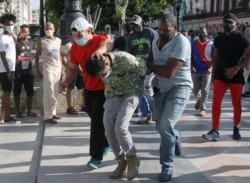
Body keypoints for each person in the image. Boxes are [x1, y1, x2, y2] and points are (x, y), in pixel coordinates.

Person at [85, 51, 146, 180]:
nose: (104, 76)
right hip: (113, 94)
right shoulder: (98, 64)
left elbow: (143, 69)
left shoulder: (125, 59)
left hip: (131, 92)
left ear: (107, 63)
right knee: (107, 126)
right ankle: (121, 161)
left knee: (121, 127)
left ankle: (132, 158)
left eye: (104, 73)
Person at [61, 17, 113, 169]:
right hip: (89, 89)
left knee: (96, 121)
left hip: (104, 89)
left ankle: (96, 157)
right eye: (74, 36)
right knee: (94, 116)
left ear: (89, 31)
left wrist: (97, 52)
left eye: (79, 35)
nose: (76, 39)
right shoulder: (76, 48)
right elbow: (72, 68)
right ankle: (107, 142)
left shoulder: (99, 40)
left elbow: (108, 43)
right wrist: (65, 81)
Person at [147, 14, 192, 182]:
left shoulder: (182, 42)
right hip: (160, 88)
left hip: (179, 86)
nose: (162, 33)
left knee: (166, 124)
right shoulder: (155, 41)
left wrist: (149, 66)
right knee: (161, 127)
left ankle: (167, 166)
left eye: (166, 30)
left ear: (176, 29)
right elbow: (153, 66)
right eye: (159, 29)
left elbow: (169, 72)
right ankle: (176, 137)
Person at [202, 13, 250, 141]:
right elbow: (216, 56)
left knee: (236, 104)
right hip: (220, 75)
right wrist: (213, 71)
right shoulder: (218, 39)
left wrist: (236, 68)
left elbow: (249, 56)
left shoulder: (242, 39)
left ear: (236, 24)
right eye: (225, 23)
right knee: (216, 102)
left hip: (236, 76)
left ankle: (236, 127)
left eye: (230, 23)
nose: (227, 25)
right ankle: (215, 130)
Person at [127, 14, 158, 124]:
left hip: (151, 66)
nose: (135, 27)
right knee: (140, 92)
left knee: (146, 89)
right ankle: (146, 114)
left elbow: (158, 46)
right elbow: (129, 54)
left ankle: (156, 112)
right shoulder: (131, 37)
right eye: (133, 25)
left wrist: (155, 64)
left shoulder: (150, 33)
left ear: (141, 23)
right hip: (138, 67)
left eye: (136, 24)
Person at [35, 22, 62, 124]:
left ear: (54, 29)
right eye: (46, 28)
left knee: (55, 93)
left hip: (57, 69)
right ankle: (47, 116)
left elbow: (59, 54)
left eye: (50, 28)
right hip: (48, 70)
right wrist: (38, 70)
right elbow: (37, 55)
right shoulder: (42, 41)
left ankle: (53, 112)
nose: (48, 30)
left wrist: (62, 68)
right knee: (48, 92)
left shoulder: (59, 41)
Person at [0, 13, 20, 124]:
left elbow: (13, 50)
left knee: (7, 91)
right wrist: (8, 73)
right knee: (6, 92)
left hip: (11, 67)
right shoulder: (2, 38)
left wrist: (15, 38)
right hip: (4, 69)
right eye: (8, 25)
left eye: (12, 24)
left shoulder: (11, 36)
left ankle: (4, 115)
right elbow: (2, 56)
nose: (10, 26)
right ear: (4, 25)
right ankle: (7, 117)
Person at [14, 24, 37, 118]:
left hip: (29, 72)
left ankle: (29, 110)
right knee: (17, 92)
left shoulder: (32, 43)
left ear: (29, 32)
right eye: (23, 31)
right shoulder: (16, 43)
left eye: (26, 31)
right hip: (18, 71)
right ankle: (18, 111)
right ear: (20, 32)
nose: (25, 33)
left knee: (30, 92)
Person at [191, 27, 213, 117]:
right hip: (196, 69)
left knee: (205, 90)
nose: (201, 34)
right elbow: (191, 55)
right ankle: (200, 98)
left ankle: (202, 108)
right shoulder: (194, 43)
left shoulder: (211, 44)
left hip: (207, 70)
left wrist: (211, 68)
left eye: (203, 32)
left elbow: (215, 57)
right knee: (195, 90)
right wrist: (191, 66)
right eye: (200, 33)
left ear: (207, 33)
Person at [61, 39, 85, 114]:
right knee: (70, 88)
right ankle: (69, 107)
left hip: (80, 69)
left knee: (84, 88)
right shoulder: (69, 45)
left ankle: (84, 105)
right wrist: (67, 66)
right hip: (72, 69)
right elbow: (61, 56)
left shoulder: (82, 44)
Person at [242, 27, 250, 97]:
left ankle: (247, 90)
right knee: (245, 76)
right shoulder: (245, 41)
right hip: (247, 62)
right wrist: (246, 63)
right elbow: (245, 53)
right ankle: (243, 91)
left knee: (248, 77)